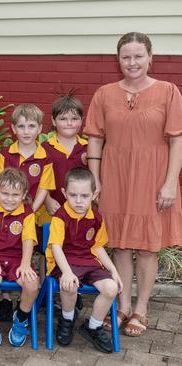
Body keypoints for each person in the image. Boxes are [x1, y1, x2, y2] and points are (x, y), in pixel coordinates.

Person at [84, 32, 182, 337]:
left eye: (139, 56)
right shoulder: (104, 94)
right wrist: (95, 180)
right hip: (114, 177)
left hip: (153, 178)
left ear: (151, 58)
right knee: (121, 245)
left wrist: (170, 184)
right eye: (126, 56)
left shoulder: (168, 92)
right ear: (118, 60)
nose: (132, 62)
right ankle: (123, 305)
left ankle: (141, 309)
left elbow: (177, 140)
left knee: (148, 248)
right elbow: (95, 140)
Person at [0, 104, 55, 321]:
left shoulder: (45, 157)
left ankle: (38, 296)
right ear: (14, 129)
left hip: (34, 212)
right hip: (5, 212)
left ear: (40, 129)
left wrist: (28, 212)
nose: (26, 131)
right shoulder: (5, 154)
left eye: (31, 126)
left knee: (33, 251)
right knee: (3, 246)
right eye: (22, 126)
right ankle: (6, 298)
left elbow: (44, 187)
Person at [45, 167, 122, 353]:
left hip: (88, 261)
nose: (78, 201)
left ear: (94, 194)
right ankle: (67, 318)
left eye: (84, 196)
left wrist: (113, 270)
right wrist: (67, 272)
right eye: (73, 195)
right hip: (64, 262)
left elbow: (96, 246)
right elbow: (56, 247)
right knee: (70, 284)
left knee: (111, 287)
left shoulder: (96, 217)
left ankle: (93, 326)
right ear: (64, 193)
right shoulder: (60, 217)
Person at [0, 168, 39, 348]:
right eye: (5, 193)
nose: (10, 199)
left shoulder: (27, 212)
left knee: (32, 283)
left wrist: (26, 264)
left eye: (15, 194)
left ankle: (21, 319)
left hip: (17, 259)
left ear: (24, 194)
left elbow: (28, 240)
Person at [41, 93, 88, 219]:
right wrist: (47, 200)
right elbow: (36, 179)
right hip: (50, 211)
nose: (69, 123)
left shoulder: (88, 148)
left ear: (82, 120)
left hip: (80, 214)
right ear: (53, 121)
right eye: (63, 119)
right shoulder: (43, 148)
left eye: (74, 118)